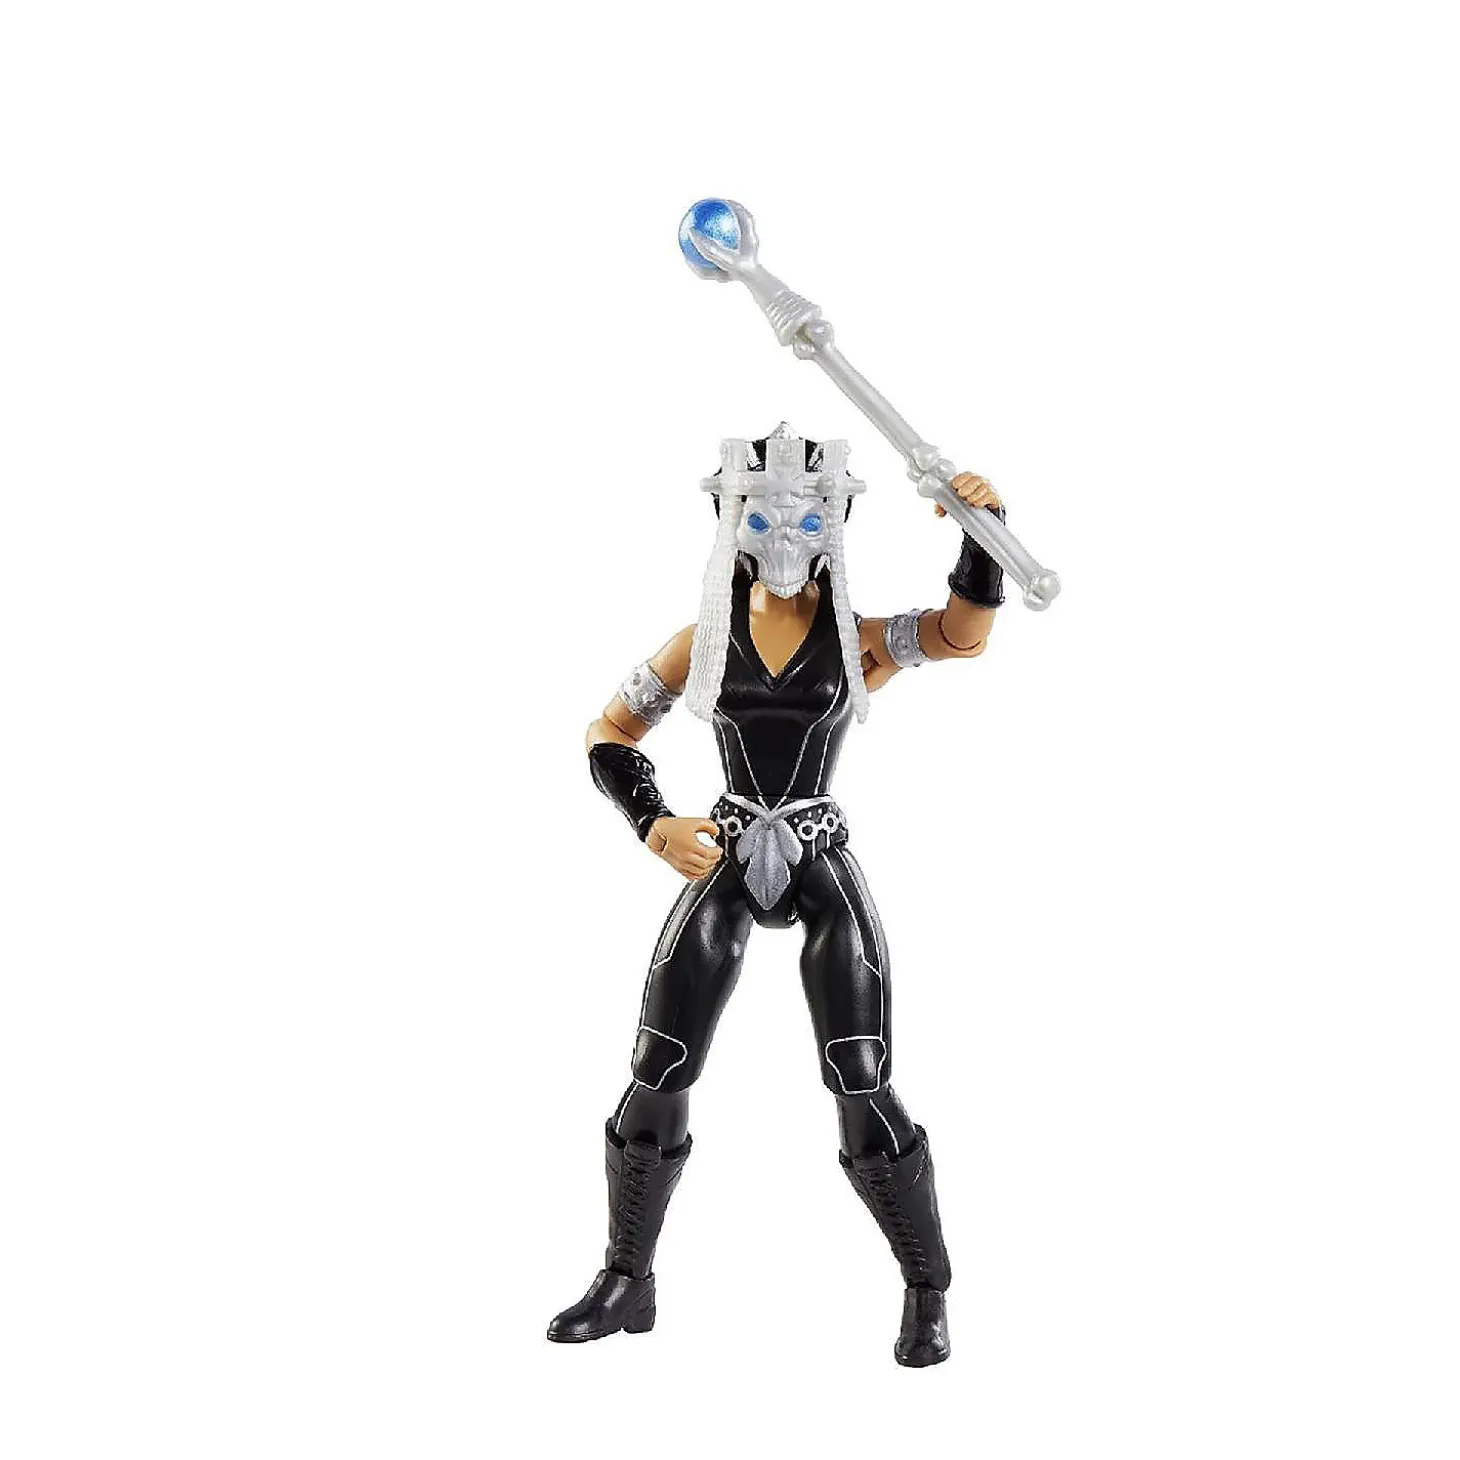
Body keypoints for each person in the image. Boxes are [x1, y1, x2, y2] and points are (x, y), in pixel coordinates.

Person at [546, 424, 1004, 1366]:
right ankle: (627, 1278)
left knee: (861, 1073)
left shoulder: (857, 642)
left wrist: (981, 534)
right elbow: (608, 731)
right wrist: (653, 822)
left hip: (818, 852)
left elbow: (960, 635)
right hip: (722, 848)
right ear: (729, 519)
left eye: (805, 518)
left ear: (834, 520)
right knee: (659, 1063)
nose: (785, 535)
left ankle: (926, 1288)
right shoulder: (703, 643)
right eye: (761, 517)